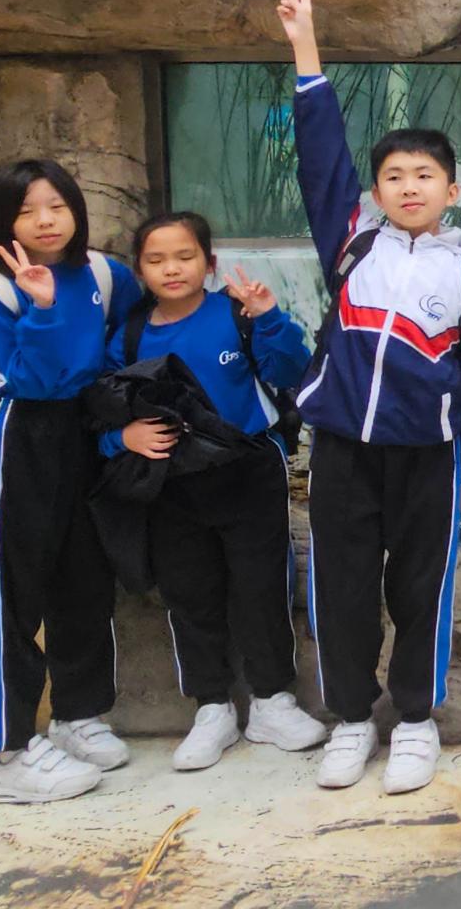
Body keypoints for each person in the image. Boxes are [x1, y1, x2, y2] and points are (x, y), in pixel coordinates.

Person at [278, 0, 461, 792]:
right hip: (342, 449)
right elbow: (320, 161)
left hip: (426, 459)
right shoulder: (353, 248)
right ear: (376, 194)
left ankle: (414, 720)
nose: (409, 186)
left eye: (425, 175)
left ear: (451, 190)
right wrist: (307, 52)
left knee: (419, 590)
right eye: (395, 176)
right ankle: (350, 719)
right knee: (339, 589)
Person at [103, 213, 330, 771]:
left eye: (185, 256)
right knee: (189, 593)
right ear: (140, 271)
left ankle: (272, 701)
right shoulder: (129, 336)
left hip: (247, 468)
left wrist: (269, 317)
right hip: (171, 479)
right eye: (156, 260)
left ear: (209, 263)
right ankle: (211, 708)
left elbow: (292, 370)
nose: (171, 269)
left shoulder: (235, 314)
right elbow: (101, 405)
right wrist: (121, 439)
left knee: (261, 586)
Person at [0, 159, 141, 802]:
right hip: (19, 432)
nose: (45, 221)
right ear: (3, 222)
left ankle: (77, 714)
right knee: (12, 587)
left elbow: (130, 337)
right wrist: (40, 306)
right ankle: (7, 750)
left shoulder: (103, 273)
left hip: (83, 427)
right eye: (26, 211)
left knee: (84, 573)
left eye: (57, 206)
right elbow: (29, 380)